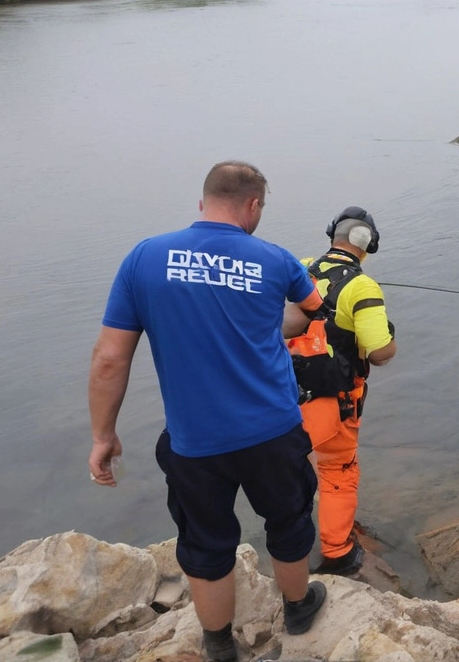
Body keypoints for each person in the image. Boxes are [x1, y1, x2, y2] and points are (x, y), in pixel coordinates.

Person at [88, 161, 329, 662]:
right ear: (254, 205)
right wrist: (267, 321)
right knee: (289, 519)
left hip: (193, 441)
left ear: (203, 202)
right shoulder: (276, 259)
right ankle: (299, 606)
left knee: (206, 539)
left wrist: (103, 435)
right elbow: (311, 310)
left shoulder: (144, 258)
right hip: (273, 430)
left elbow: (110, 358)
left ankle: (219, 643)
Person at [282, 206, 397, 576]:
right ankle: (337, 552)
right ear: (368, 244)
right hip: (336, 402)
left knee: (290, 470)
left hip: (286, 395)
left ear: (333, 235)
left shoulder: (300, 268)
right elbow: (379, 353)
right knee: (338, 471)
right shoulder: (362, 286)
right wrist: (390, 333)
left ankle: (287, 548)